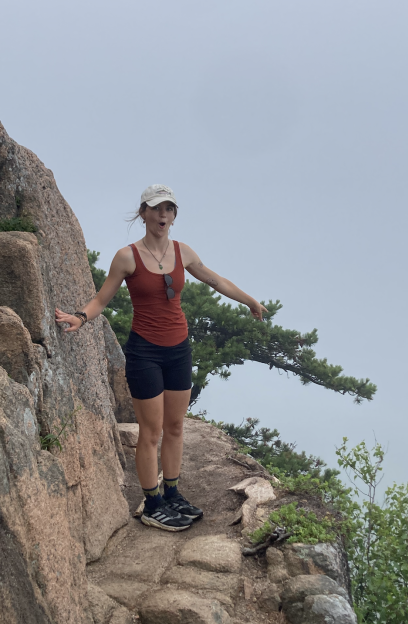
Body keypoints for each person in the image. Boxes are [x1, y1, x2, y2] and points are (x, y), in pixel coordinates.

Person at [55, 184, 267, 532]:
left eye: (169, 209)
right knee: (150, 432)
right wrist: (80, 317)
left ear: (174, 215)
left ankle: (172, 493)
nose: (163, 215)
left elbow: (215, 279)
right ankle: (152, 502)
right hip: (145, 352)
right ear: (144, 214)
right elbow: (101, 299)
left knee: (176, 427)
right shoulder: (127, 257)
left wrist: (249, 300)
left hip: (179, 350)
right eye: (156, 209)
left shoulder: (183, 252)